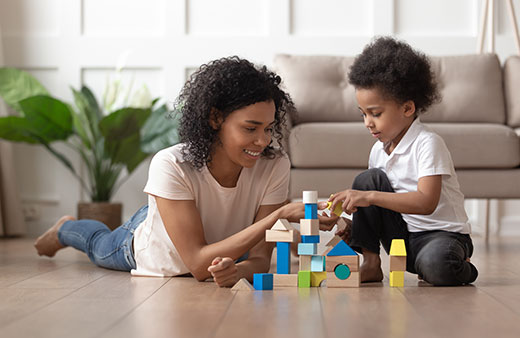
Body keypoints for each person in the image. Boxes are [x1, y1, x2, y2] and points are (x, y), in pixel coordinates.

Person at [34, 56, 331, 287]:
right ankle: (64, 229)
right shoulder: (171, 164)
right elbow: (199, 265)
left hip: (217, 240)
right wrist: (278, 216)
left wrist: (236, 272)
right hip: (153, 244)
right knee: (98, 244)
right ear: (215, 118)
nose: (263, 140)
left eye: (268, 129)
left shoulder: (275, 165)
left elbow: (258, 261)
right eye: (250, 128)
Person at [326, 37, 478, 286]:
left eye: (376, 114)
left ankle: (463, 268)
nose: (368, 122)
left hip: (441, 236)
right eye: (363, 114)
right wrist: (353, 224)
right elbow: (373, 206)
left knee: (438, 267)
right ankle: (372, 264)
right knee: (368, 180)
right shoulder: (378, 150)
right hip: (401, 238)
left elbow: (426, 202)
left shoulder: (428, 143)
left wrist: (370, 197)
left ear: (407, 108)